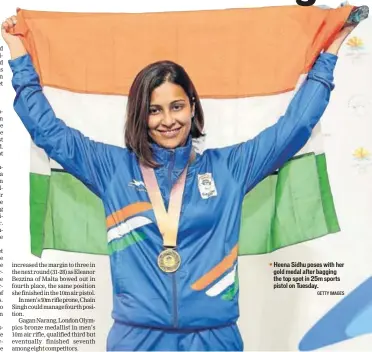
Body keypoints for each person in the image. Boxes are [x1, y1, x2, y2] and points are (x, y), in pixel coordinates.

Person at [1, 9, 364, 351]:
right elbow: (48, 131)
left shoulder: (229, 169)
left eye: (177, 106)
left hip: (213, 338)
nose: (168, 120)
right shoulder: (112, 169)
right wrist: (18, 53)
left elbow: (295, 126)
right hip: (137, 339)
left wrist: (333, 46)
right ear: (140, 116)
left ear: (192, 106)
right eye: (154, 110)